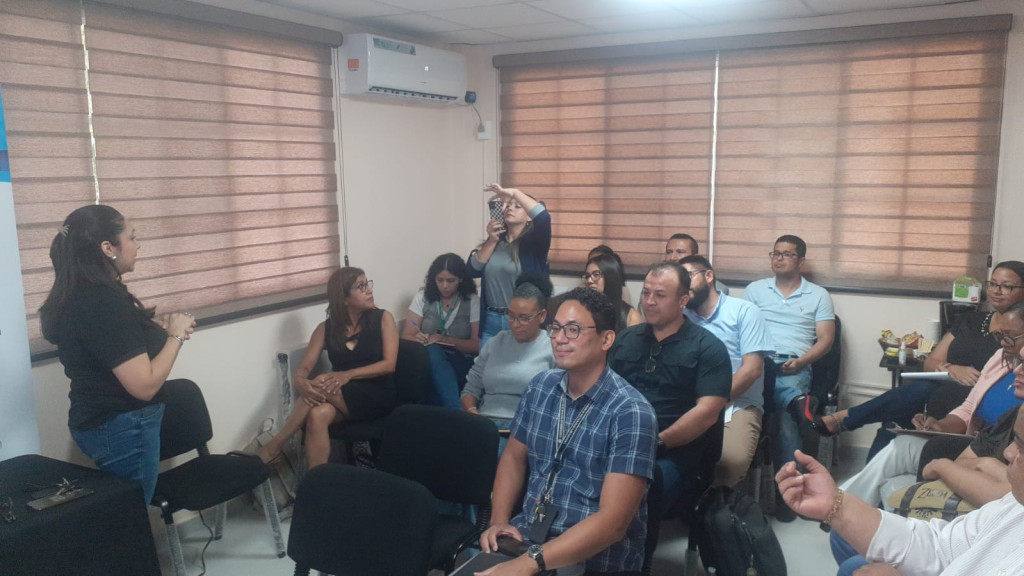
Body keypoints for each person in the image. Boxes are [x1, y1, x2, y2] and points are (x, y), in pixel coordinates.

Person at [478, 288, 658, 576]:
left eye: (573, 330)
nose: (559, 339)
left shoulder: (631, 413)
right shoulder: (541, 387)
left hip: (595, 560)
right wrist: (499, 520)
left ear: (606, 339)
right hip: (529, 541)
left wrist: (528, 563)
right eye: (556, 328)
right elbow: (513, 457)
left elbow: (612, 524)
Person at [39, 205, 196, 502]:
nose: (138, 245)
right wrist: (176, 335)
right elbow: (144, 386)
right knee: (131, 514)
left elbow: (113, 344)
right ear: (108, 248)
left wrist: (157, 331)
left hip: (106, 422)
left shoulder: (86, 292)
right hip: (123, 427)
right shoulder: (101, 303)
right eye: (132, 238)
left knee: (122, 511)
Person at [815, 261, 1024, 458]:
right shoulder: (970, 320)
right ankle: (864, 467)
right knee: (895, 418)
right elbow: (930, 362)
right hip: (943, 386)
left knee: (913, 397)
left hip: (971, 396)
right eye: (993, 284)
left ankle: (847, 418)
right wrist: (952, 369)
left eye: (1007, 286)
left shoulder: (1018, 335)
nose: (996, 291)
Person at [838, 303, 1024, 510]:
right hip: (974, 444)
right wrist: (940, 425)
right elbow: (968, 408)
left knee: (907, 462)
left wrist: (956, 464)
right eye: (1000, 335)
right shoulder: (1001, 358)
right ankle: (842, 507)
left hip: (991, 454)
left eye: (1011, 337)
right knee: (901, 449)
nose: (1003, 342)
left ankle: (844, 509)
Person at [776, 423, 1024, 576]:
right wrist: (835, 505)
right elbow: (941, 548)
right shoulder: (1014, 507)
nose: (1008, 452)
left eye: (1022, 446)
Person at [609, 261, 733, 518]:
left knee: (635, 486)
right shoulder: (625, 340)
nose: (649, 301)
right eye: (646, 293)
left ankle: (631, 546)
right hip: (617, 439)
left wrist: (656, 442)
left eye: (660, 295)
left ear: (683, 300)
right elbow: (605, 392)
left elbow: (707, 413)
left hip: (672, 452)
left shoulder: (708, 348)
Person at [258, 267, 398, 469]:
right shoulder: (326, 328)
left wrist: (348, 374)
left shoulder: (384, 318)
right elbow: (305, 366)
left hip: (377, 393)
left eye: (367, 284)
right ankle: (317, 482)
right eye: (361, 286)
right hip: (341, 394)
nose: (369, 290)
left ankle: (275, 446)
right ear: (344, 299)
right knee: (317, 415)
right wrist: (300, 381)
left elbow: (389, 365)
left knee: (321, 381)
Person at [743, 234, 835, 516]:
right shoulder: (755, 290)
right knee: (785, 409)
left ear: (801, 261)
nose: (778, 258)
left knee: (785, 422)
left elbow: (826, 340)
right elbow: (742, 331)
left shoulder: (818, 295)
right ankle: (797, 401)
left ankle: (788, 497)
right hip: (760, 361)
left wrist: (801, 361)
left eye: (786, 254)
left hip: (795, 364)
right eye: (775, 253)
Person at [679, 255, 774, 488]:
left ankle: (717, 506)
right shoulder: (679, 316)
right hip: (685, 402)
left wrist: (710, 403)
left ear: (709, 276)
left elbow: (752, 370)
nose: (683, 285)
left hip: (737, 404)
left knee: (727, 464)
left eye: (688, 277)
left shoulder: (743, 311)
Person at [461, 274, 556, 443]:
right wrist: (472, 412)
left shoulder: (552, 348)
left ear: (541, 316)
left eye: (524, 318)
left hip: (522, 429)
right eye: (510, 315)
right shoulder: (495, 342)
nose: (515, 324)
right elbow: (470, 388)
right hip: (484, 423)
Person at [469, 183, 551, 348]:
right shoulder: (495, 242)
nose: (510, 208)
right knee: (487, 365)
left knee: (519, 364)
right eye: (508, 205)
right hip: (491, 320)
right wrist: (492, 240)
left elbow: (543, 218)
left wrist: (514, 192)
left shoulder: (534, 245)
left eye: (517, 206)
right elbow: (472, 270)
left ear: (529, 217)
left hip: (522, 320)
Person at [402, 253, 480, 409]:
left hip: (460, 360)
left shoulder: (471, 300)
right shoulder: (422, 297)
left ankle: (453, 411)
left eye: (450, 281)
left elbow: (476, 345)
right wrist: (420, 338)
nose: (444, 286)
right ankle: (456, 411)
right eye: (440, 280)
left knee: (433, 389)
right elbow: (406, 336)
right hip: (428, 360)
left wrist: (445, 340)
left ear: (460, 279)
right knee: (433, 352)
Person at [582, 253, 643, 331]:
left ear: (610, 277)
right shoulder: (583, 310)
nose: (589, 281)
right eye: (587, 276)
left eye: (596, 274)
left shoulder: (631, 318)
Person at [663, 233, 728, 294]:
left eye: (680, 252)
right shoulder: (659, 283)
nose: (672, 257)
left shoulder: (716, 289)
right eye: (669, 252)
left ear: (694, 256)